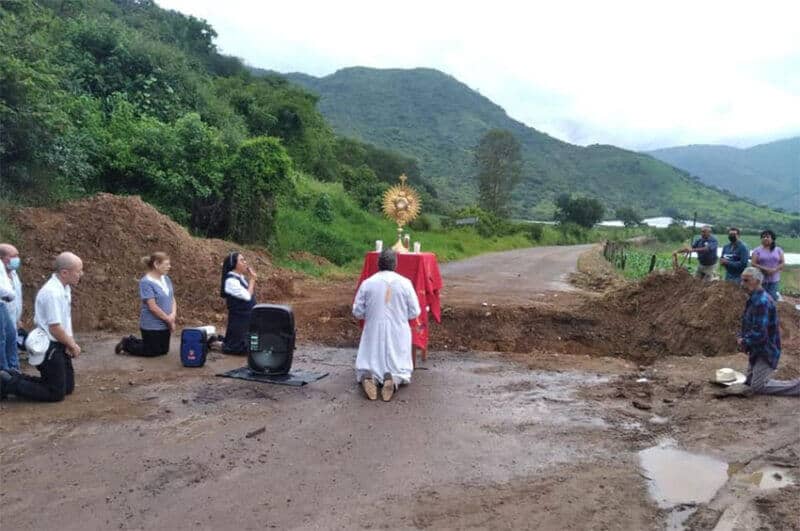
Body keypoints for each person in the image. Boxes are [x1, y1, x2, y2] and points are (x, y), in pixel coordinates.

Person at [0, 252, 83, 402]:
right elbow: (55, 328)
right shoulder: (52, 293)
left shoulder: (64, 288)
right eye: (78, 271)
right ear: (65, 273)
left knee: (67, 388)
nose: (80, 274)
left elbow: (65, 320)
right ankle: (9, 382)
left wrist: (68, 343)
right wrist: (73, 345)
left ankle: (14, 376)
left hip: (59, 343)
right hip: (48, 345)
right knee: (56, 394)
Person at [716, 267, 799, 397]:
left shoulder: (761, 302)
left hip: (766, 350)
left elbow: (760, 333)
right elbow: (749, 326)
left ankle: (796, 388)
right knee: (748, 381)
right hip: (757, 349)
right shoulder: (754, 298)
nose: (742, 284)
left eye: (746, 280)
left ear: (757, 281)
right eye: (742, 280)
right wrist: (743, 337)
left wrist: (744, 340)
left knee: (758, 386)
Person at [352, 249, 421, 401]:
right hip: (398, 331)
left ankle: (369, 378)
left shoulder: (367, 283)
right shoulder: (405, 283)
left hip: (373, 331)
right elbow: (415, 312)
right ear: (395, 264)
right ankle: (393, 381)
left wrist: (370, 314)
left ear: (378, 264)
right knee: (400, 370)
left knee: (368, 365)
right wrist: (401, 316)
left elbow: (357, 311)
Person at [115, 252, 176, 357]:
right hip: (152, 324)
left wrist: (173, 316)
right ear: (156, 264)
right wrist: (168, 320)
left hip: (165, 323)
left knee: (163, 351)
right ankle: (127, 343)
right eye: (166, 264)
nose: (169, 267)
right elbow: (152, 307)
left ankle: (140, 342)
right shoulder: (146, 282)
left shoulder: (166, 279)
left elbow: (172, 298)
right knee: (152, 352)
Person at [220, 252, 257, 354]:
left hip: (246, 318)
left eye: (244, 260)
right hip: (239, 319)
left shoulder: (241, 278)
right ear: (234, 264)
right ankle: (216, 344)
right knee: (238, 348)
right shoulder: (231, 281)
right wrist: (252, 280)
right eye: (242, 260)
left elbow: (250, 293)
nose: (245, 262)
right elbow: (247, 296)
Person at [751, 229, 784, 301]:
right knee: (760, 299)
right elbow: (753, 263)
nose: (765, 238)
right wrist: (765, 269)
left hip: (774, 280)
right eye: (763, 237)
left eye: (767, 237)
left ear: (772, 239)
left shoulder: (778, 250)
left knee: (772, 299)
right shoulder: (757, 250)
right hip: (760, 280)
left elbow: (782, 263)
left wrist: (774, 269)